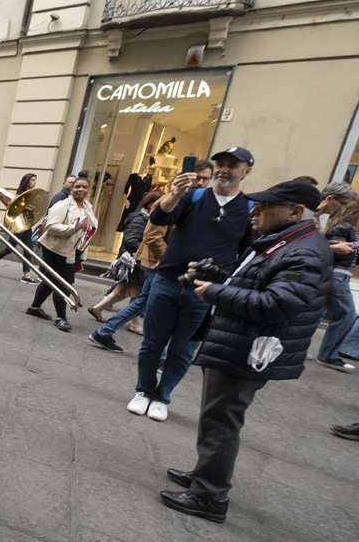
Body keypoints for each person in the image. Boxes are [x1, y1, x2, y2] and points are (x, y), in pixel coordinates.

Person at [161, 180, 331, 522]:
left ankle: (209, 497)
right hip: (239, 342)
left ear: (296, 212)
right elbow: (261, 285)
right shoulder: (288, 241)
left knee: (222, 421)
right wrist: (221, 277)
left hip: (248, 349)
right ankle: (207, 476)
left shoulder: (304, 250)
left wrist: (215, 292)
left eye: (265, 208)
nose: (255, 213)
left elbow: (278, 303)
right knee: (216, 418)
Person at [128, 147, 255, 422]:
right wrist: (174, 194)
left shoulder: (249, 208)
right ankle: (143, 391)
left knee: (183, 350)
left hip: (205, 292)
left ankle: (162, 397)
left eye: (232, 165)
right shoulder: (194, 196)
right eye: (220, 164)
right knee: (152, 343)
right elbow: (159, 218)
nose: (224, 169)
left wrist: (221, 275)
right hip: (167, 281)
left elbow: (247, 253)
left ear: (246, 172)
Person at [88, 191, 165, 351]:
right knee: (137, 296)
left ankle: (99, 309)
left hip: (136, 261)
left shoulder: (147, 218)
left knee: (124, 292)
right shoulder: (140, 218)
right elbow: (131, 241)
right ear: (149, 203)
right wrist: (143, 256)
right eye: (159, 203)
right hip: (135, 262)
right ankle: (133, 324)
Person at [26, 175, 96, 331]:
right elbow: (51, 227)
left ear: (88, 190)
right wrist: (73, 228)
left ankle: (34, 308)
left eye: (85, 187)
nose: (81, 189)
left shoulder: (88, 207)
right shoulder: (62, 205)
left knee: (51, 280)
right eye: (77, 186)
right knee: (64, 283)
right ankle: (61, 317)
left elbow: (88, 231)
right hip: (56, 250)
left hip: (73, 251)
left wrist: (81, 254)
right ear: (71, 189)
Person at [313, 190, 359, 370]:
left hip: (339, 276)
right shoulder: (343, 228)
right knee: (346, 314)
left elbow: (352, 255)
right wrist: (354, 246)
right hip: (337, 276)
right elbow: (333, 249)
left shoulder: (350, 230)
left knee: (316, 313)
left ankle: (299, 350)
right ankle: (328, 356)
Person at [0, 172, 40, 284]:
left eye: (35, 180)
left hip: (26, 225)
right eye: (32, 180)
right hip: (18, 225)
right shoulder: (21, 194)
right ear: (26, 181)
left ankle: (26, 275)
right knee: (10, 248)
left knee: (28, 250)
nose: (35, 182)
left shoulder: (31, 194)